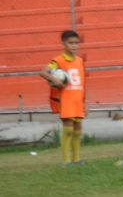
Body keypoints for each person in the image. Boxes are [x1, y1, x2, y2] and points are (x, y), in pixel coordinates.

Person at [39, 30, 86, 165]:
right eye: (71, 43)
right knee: (69, 128)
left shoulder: (80, 61)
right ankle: (66, 161)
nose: (74, 46)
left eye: (76, 43)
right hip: (65, 99)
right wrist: (54, 79)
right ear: (63, 44)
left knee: (78, 130)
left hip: (77, 99)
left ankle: (76, 159)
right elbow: (42, 71)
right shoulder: (58, 60)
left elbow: (83, 83)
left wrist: (85, 102)